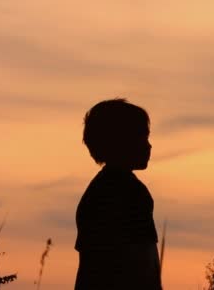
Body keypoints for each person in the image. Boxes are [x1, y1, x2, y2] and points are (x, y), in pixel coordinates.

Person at [74, 98, 161, 290]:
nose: (149, 146)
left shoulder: (96, 192)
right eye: (143, 137)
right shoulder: (132, 193)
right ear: (122, 141)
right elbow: (144, 259)